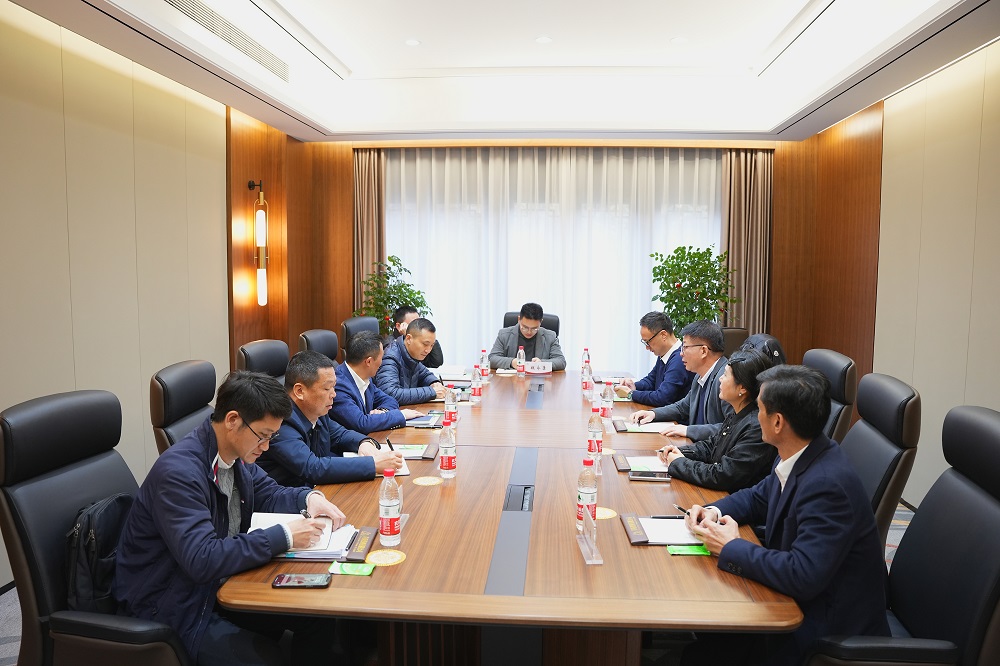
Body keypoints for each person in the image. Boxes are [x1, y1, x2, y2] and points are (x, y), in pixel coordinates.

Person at [113, 371, 349, 665]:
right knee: (266, 659)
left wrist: (309, 498)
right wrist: (285, 535)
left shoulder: (235, 453)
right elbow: (202, 558)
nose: (266, 446)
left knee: (316, 616)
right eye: (263, 436)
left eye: (272, 437)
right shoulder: (178, 474)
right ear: (233, 420)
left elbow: (268, 493)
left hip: (221, 584)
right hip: (176, 606)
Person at [683, 365, 890, 665]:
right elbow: (759, 496)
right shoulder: (802, 451)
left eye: (759, 409)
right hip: (798, 603)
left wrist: (731, 546)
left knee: (707, 649)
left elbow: (802, 575)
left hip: (822, 630)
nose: (755, 416)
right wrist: (714, 511)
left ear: (778, 422)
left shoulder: (827, 485)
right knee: (706, 642)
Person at [258, 350, 403, 487]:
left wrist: (363, 443)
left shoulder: (317, 412)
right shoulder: (279, 422)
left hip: (318, 490)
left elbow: (340, 434)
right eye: (327, 389)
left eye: (334, 387)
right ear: (300, 391)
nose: (334, 394)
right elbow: (312, 467)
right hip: (287, 499)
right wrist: (373, 464)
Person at [658, 348, 776, 491]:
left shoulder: (756, 427)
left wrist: (679, 463)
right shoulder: (738, 413)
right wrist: (680, 452)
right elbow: (712, 446)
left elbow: (723, 475)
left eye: (725, 375)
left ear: (742, 388)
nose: (720, 378)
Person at [630, 320, 732, 441]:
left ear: (704, 351)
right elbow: (683, 407)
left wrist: (688, 430)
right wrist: (653, 414)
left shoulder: (726, 379)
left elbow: (732, 428)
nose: (681, 354)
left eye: (685, 347)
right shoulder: (700, 376)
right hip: (697, 447)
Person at [331, 330, 424, 434]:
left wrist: (382, 411)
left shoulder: (365, 376)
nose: (382, 362)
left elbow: (390, 400)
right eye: (381, 357)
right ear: (369, 361)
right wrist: (402, 415)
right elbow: (361, 424)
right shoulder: (338, 386)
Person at [616, 311, 693, 407]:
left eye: (648, 342)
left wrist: (631, 394)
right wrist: (633, 386)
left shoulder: (679, 359)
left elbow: (662, 398)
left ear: (663, 335)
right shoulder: (665, 353)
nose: (647, 347)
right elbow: (651, 381)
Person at [375, 317, 447, 405]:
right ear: (409, 339)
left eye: (431, 345)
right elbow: (390, 393)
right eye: (425, 344)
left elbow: (425, 374)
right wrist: (432, 392)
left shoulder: (412, 355)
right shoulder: (390, 358)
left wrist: (434, 383)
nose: (428, 350)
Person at [489, 302, 566, 371]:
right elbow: (492, 358)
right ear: (519, 319)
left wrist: (542, 363)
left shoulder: (550, 336)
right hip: (512, 380)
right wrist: (512, 362)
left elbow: (561, 361)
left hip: (539, 380)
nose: (529, 332)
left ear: (541, 322)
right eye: (525, 327)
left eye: (534, 328)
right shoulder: (504, 334)